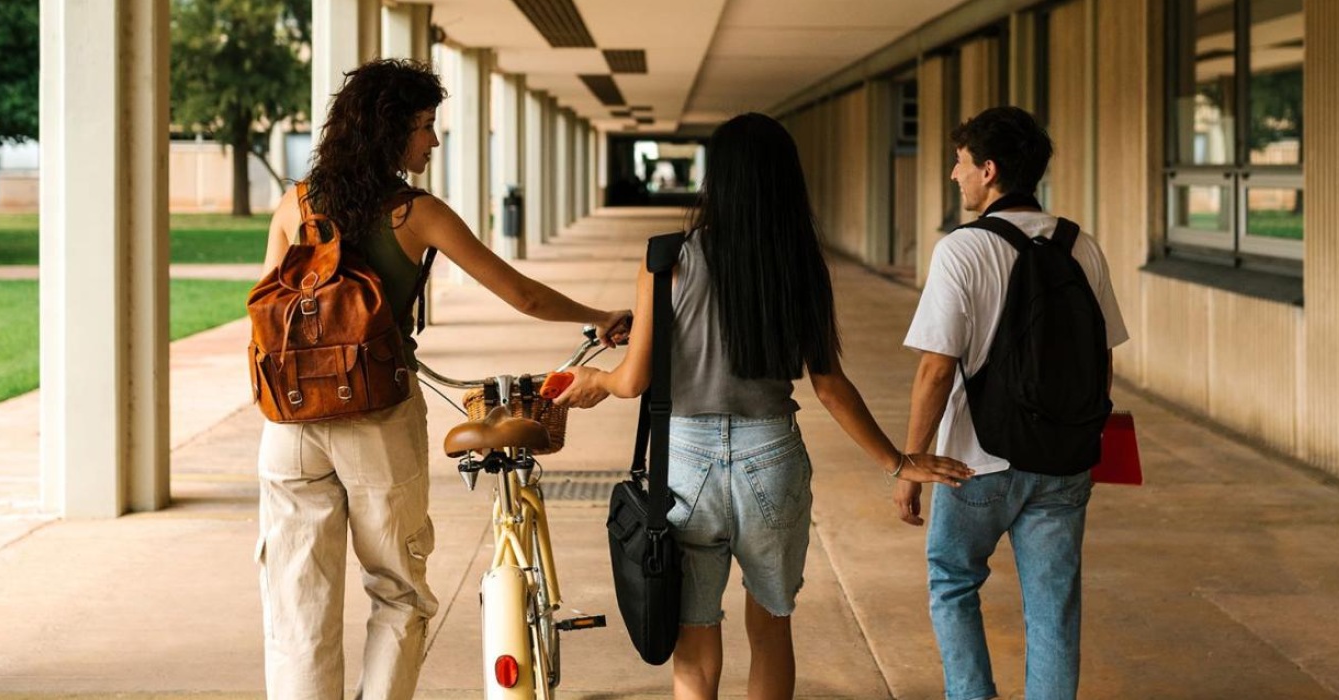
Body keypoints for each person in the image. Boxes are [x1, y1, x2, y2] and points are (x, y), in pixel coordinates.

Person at [555, 113, 974, 700]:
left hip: (685, 463)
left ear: (716, 179)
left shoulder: (666, 259)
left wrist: (595, 377)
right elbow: (829, 385)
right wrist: (897, 462)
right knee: (771, 623)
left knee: (694, 634)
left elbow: (633, 382)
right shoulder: (800, 267)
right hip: (771, 454)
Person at [254, 59, 629, 700]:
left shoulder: (297, 202)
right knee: (398, 590)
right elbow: (524, 297)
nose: (432, 140)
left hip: (290, 425)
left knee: (297, 597)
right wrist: (602, 317)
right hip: (374, 417)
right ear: (389, 132)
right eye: (425, 127)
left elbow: (264, 307)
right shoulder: (415, 214)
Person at [893, 106, 1130, 700]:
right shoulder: (1082, 246)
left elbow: (935, 368)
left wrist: (912, 462)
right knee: (1053, 610)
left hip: (976, 462)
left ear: (989, 170)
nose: (955, 175)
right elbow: (1101, 360)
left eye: (960, 162)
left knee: (953, 582)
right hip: (1063, 463)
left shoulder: (962, 250)